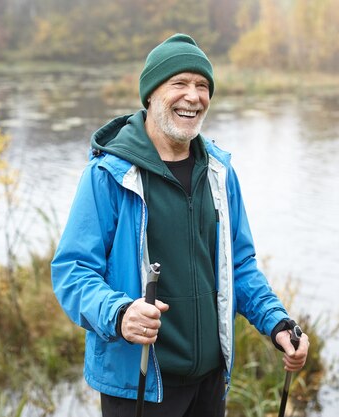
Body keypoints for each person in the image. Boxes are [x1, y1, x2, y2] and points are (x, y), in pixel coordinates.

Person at [51, 33, 309, 417]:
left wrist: (277, 322)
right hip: (139, 386)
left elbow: (238, 265)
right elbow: (72, 272)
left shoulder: (220, 173)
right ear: (152, 93)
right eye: (180, 83)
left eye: (202, 86)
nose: (194, 96)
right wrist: (120, 314)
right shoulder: (108, 174)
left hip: (209, 384)